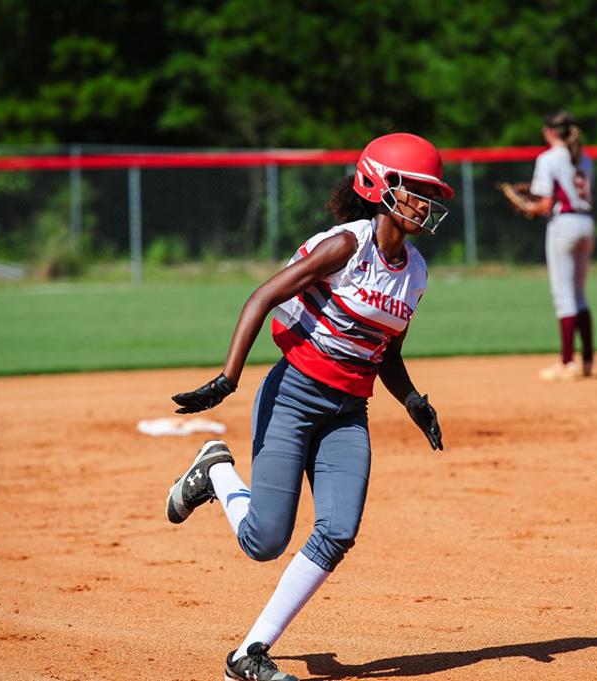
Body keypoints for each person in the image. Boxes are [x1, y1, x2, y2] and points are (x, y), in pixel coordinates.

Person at [165, 132, 450, 681]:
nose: (426, 202)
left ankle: (248, 654)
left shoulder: (415, 271)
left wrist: (413, 400)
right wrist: (227, 380)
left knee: (339, 529)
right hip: (294, 396)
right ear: (381, 187)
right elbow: (263, 296)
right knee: (264, 541)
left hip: (348, 412)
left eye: (429, 192)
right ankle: (216, 470)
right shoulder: (347, 246)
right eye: (416, 189)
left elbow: (384, 348)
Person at [500, 110, 597, 381]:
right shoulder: (584, 158)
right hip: (586, 223)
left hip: (563, 226)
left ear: (550, 132)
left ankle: (567, 363)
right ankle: (588, 360)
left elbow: (544, 203)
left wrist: (528, 207)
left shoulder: (548, 158)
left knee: (564, 294)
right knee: (579, 294)